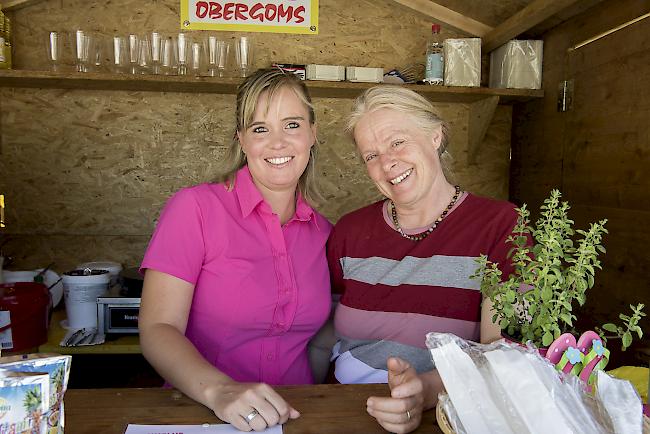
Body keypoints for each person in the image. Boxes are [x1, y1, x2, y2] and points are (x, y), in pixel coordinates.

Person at [139, 68, 332, 432]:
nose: (278, 143)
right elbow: (157, 327)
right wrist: (220, 391)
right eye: (260, 129)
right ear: (242, 140)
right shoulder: (194, 208)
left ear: (312, 134)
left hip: (298, 417)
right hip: (204, 416)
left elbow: (322, 336)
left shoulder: (323, 232)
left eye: (292, 125)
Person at [326, 86, 519, 433]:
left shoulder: (500, 226)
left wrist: (427, 390)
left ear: (435, 135)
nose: (386, 163)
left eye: (397, 142)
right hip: (344, 409)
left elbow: (502, 352)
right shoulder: (349, 232)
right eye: (371, 156)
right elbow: (323, 333)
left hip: (446, 414)